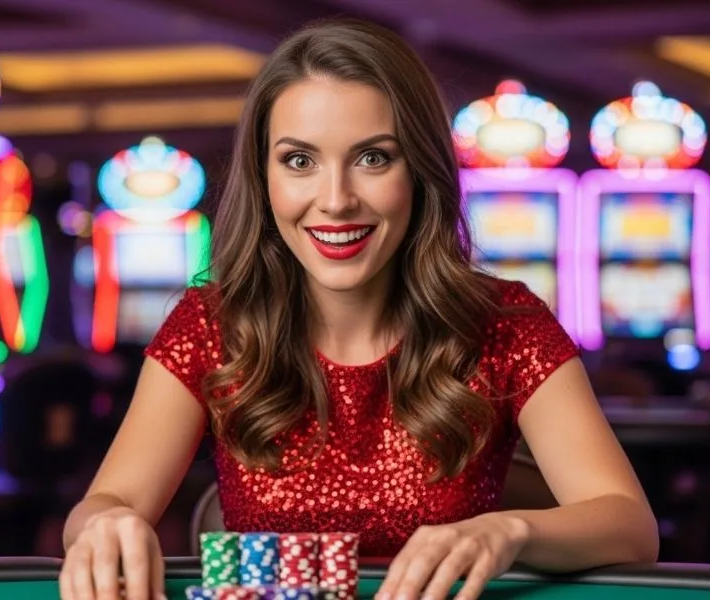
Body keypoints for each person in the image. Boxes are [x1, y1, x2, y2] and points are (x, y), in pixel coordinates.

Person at [59, 17, 659, 600]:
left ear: (420, 170)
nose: (336, 200)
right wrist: (103, 522)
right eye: (299, 161)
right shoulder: (212, 325)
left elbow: (629, 525)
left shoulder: (503, 324)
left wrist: (509, 530)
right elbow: (106, 506)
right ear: (263, 177)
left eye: (374, 158)